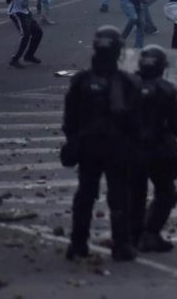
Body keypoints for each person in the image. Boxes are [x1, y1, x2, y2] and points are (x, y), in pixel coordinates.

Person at [62, 26, 142, 262]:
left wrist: (74, 142)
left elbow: (70, 119)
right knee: (119, 196)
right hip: (116, 148)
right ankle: (121, 246)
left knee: (85, 195)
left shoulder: (81, 81)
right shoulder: (127, 82)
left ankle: (77, 244)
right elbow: (136, 121)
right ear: (118, 51)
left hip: (88, 147)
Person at [131, 45, 177, 253]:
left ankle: (132, 236)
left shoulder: (127, 86)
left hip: (132, 150)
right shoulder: (166, 90)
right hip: (160, 151)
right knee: (166, 193)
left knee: (135, 194)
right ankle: (150, 233)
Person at [6, 0, 43, 68]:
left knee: (38, 32)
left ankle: (29, 55)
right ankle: (15, 59)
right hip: (16, 12)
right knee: (25, 35)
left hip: (25, 11)